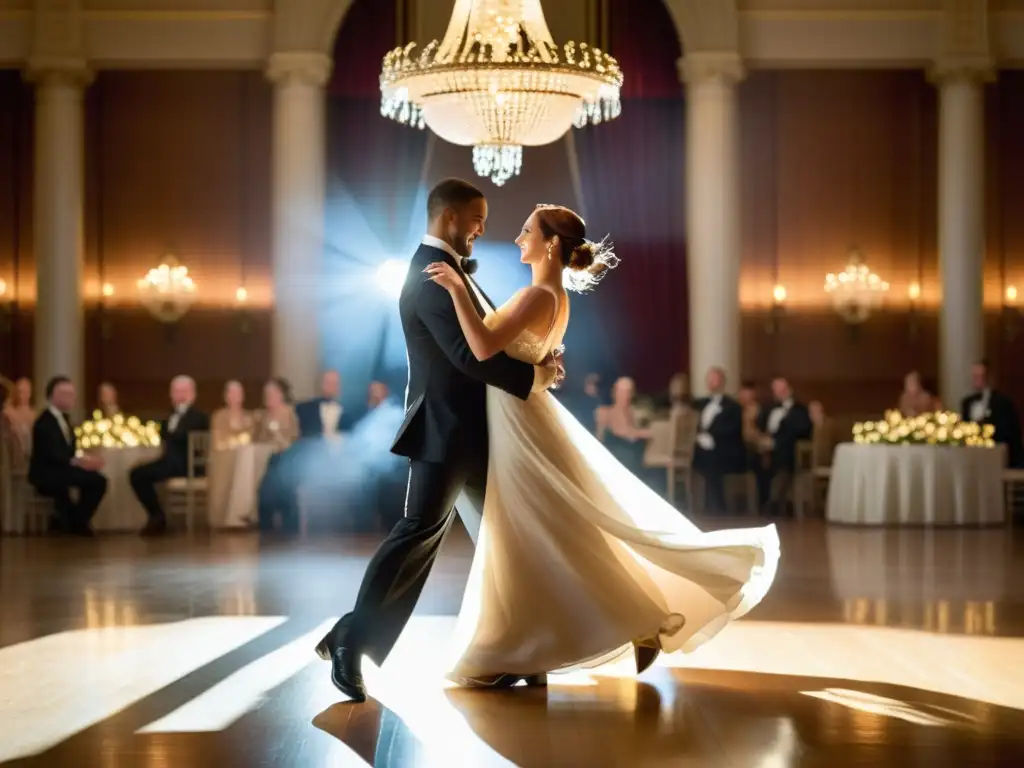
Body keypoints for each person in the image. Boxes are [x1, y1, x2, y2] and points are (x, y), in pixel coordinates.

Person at [422, 203, 778, 689]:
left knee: (539, 531)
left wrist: (455, 290)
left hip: (518, 422)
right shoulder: (552, 295)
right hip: (519, 414)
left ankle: (534, 644)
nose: (517, 238)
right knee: (556, 530)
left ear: (549, 244)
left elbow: (483, 348)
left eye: (526, 231)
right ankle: (562, 638)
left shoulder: (535, 295)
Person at [314, 179, 563, 702]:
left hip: (479, 431)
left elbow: (491, 342)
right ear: (450, 218)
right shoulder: (431, 278)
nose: (483, 230)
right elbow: (471, 359)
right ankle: (349, 640)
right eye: (478, 219)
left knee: (509, 539)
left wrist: (540, 360)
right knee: (417, 533)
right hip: (445, 429)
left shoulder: (448, 273)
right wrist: (535, 378)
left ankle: (523, 649)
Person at [129, 375, 210, 536]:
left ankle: (157, 517)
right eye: (177, 391)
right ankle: (157, 515)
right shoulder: (169, 416)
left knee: (140, 474)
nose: (180, 395)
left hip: (188, 465)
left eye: (184, 391)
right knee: (136, 474)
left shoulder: (199, 417)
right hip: (169, 463)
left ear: (193, 394)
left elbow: (183, 439)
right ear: (171, 394)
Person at [28, 376, 107, 535]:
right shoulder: (44, 422)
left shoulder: (65, 419)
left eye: (72, 393)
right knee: (94, 481)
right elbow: (52, 454)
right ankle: (76, 522)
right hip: (47, 472)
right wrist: (78, 462)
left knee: (97, 479)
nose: (72, 398)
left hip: (62, 469)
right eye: (66, 394)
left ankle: (75, 520)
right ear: (54, 396)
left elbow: (68, 451)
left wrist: (83, 460)